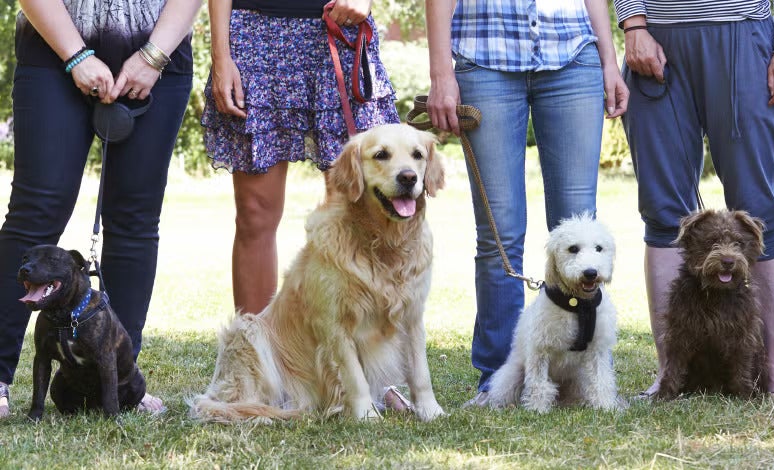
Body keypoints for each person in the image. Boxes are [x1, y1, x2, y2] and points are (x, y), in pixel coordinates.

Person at [200, 0, 409, 410]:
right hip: (254, 33)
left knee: (357, 213)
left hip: (335, 29)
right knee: (256, 214)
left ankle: (374, 375)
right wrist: (221, 55)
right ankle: (261, 368)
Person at [0, 0, 201, 418]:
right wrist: (75, 55)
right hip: (52, 43)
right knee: (35, 210)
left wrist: (152, 56)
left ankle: (124, 382)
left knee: (134, 218)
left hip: (159, 53)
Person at [426, 0, 629, 407]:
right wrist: (441, 72)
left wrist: (610, 60)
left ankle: (588, 379)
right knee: (499, 235)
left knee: (579, 231)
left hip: (573, 54)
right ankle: (497, 379)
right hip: (484, 55)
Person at [614, 0, 774, 400]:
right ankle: (670, 373)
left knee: (759, 208)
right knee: (663, 211)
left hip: (740, 32)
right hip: (655, 35)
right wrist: (633, 25)